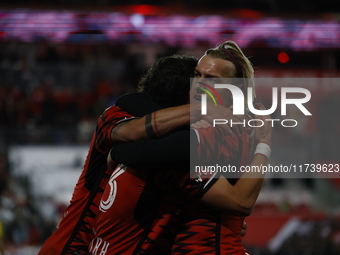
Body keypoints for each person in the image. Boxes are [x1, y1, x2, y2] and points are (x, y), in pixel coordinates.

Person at [38, 54, 238, 254]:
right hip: (72, 246)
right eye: (197, 80)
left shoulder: (145, 125)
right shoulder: (118, 115)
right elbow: (140, 127)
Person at [90, 41, 272, 254]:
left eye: (211, 79)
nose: (199, 84)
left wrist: (116, 153)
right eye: (197, 75)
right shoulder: (240, 127)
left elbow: (241, 202)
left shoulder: (212, 132)